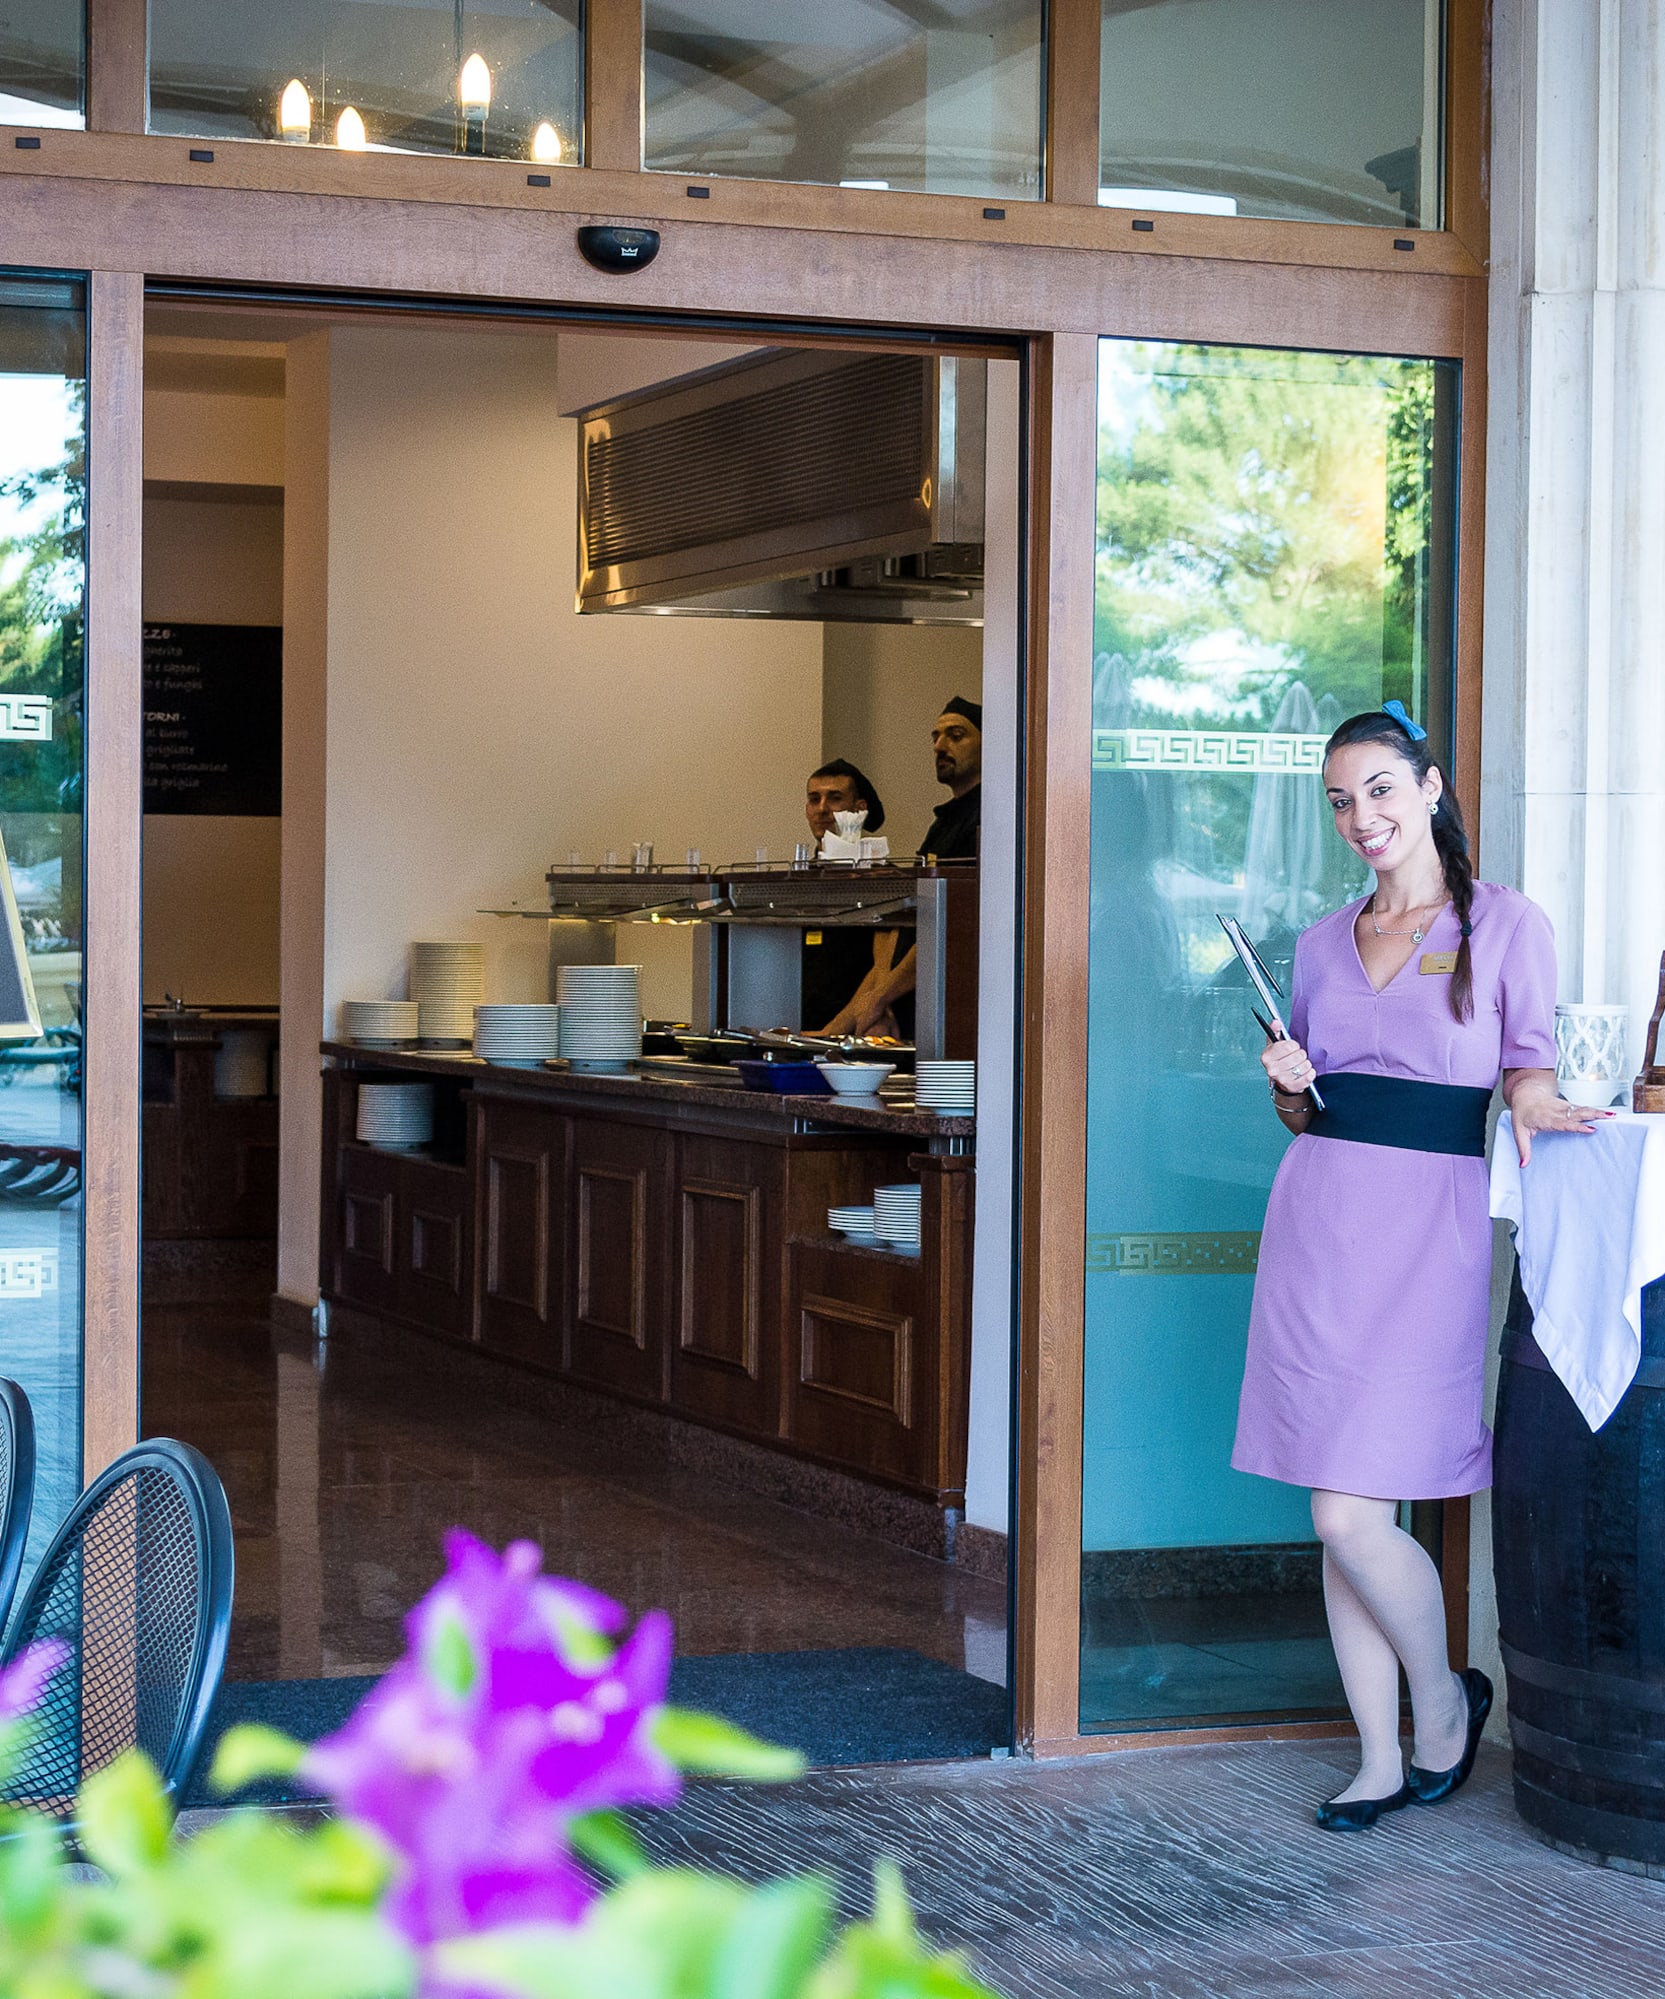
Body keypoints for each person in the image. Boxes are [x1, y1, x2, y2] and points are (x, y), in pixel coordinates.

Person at [1232, 701, 1611, 1832]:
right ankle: (1380, 1756)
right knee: (1334, 1504)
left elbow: (1526, 1070)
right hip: (1318, 1224)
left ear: (1431, 787)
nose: (1363, 817)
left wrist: (1544, 1100)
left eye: (1381, 790)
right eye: (1342, 800)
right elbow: (1303, 1116)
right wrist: (1288, 1077)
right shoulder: (1314, 941)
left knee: (1354, 1513)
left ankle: (1443, 1702)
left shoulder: (1505, 925)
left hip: (1428, 1231)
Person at [823, 697, 983, 1037]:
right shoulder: (941, 826)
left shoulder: (988, 817)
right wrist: (870, 1001)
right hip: (903, 1005)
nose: (940, 746)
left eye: (956, 735)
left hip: (949, 1011)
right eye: (936, 737)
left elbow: (952, 923)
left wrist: (881, 997)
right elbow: (901, 916)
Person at [800, 760, 894, 1034]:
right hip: (800, 1029)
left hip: (859, 1028)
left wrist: (837, 1028)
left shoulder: (883, 879)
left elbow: (883, 968)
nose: (822, 809)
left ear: (859, 809)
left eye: (835, 798)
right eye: (814, 799)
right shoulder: (797, 880)